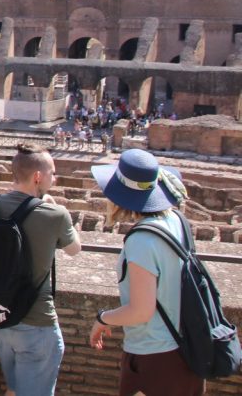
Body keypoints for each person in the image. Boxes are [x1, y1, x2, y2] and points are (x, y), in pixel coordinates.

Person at [88, 149, 202, 395]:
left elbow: (141, 311)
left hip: (156, 360)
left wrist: (102, 318)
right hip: (189, 352)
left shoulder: (141, 240)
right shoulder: (177, 220)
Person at [0, 144, 81, 396]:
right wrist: (54, 208)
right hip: (37, 321)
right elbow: (74, 249)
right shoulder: (56, 214)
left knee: (14, 389)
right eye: (53, 173)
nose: (55, 178)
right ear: (38, 177)